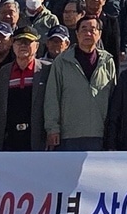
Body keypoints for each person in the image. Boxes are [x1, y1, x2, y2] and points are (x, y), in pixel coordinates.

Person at [45, 16, 118, 151]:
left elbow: (114, 98)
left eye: (93, 30)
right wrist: (52, 128)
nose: (88, 33)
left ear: (99, 34)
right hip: (69, 134)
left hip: (100, 134)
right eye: (84, 29)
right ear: (77, 34)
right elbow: (52, 97)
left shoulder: (107, 61)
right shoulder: (61, 62)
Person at [0, 29, 51, 151]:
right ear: (12, 45)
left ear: (37, 46)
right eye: (19, 42)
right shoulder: (3, 72)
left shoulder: (47, 70)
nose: (23, 46)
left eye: (27, 42)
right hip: (9, 138)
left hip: (37, 138)